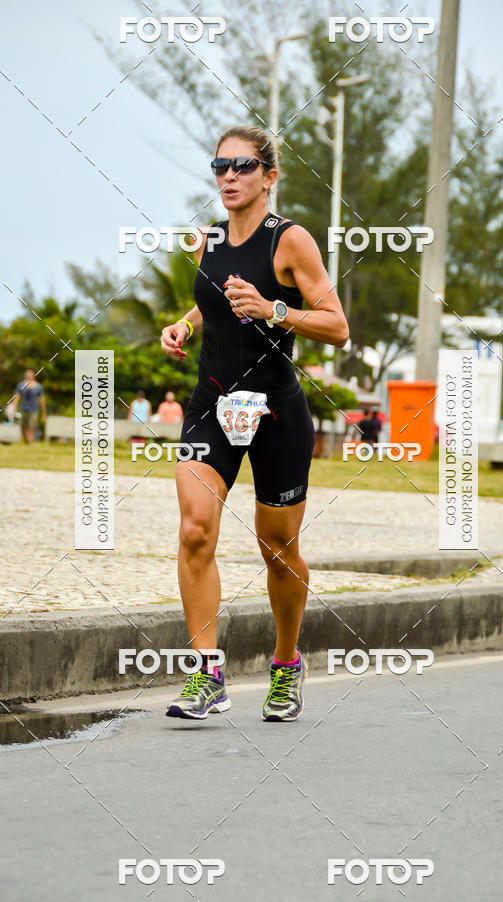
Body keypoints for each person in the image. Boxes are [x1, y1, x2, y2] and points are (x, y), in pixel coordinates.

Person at [160, 124, 348, 722]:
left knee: (278, 548)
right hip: (212, 403)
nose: (228, 177)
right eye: (219, 167)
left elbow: (336, 324)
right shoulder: (207, 240)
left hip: (275, 412)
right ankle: (207, 674)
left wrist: (274, 310)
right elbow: (216, 297)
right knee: (195, 530)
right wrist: (186, 325)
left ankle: (286, 666)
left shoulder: (291, 242)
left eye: (242, 166)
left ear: (269, 176)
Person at [15, 368, 46, 444]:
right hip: (23, 409)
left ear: (33, 375)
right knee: (23, 427)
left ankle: (30, 443)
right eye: (27, 373)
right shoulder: (21, 385)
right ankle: (27, 443)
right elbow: (17, 396)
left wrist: (44, 413)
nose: (29, 375)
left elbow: (42, 400)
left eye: (30, 373)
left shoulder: (38, 387)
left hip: (34, 410)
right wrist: (14, 406)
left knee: (31, 428)